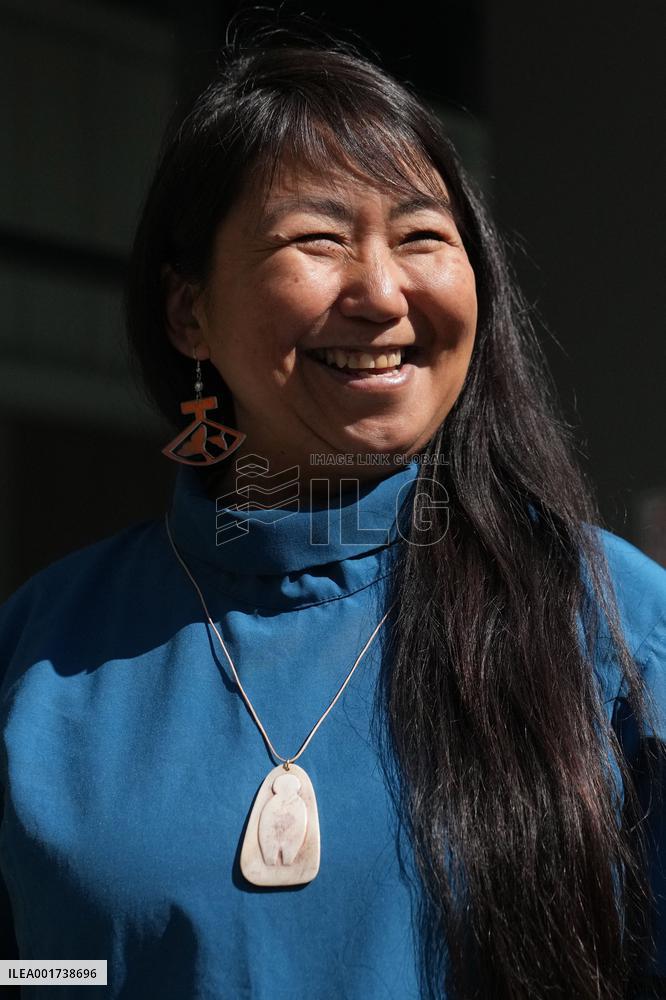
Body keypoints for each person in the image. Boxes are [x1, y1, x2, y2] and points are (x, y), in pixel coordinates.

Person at [1, 27, 665, 1000]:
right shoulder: (44, 652)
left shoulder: (617, 625)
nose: (382, 290)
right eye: (318, 239)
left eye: (422, 236)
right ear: (189, 313)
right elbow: (29, 964)